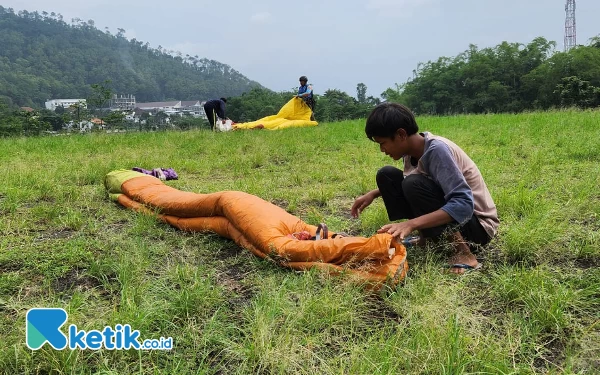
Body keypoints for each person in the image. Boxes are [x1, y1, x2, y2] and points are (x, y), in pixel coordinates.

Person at [351, 102, 499, 274]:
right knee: (387, 175)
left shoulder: (437, 150)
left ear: (401, 134)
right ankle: (426, 239)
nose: (382, 149)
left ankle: (464, 253)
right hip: (461, 221)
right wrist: (374, 194)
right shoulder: (411, 150)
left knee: (413, 184)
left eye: (383, 143)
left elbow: (463, 204)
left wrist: (410, 224)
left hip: (478, 228)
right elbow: (423, 179)